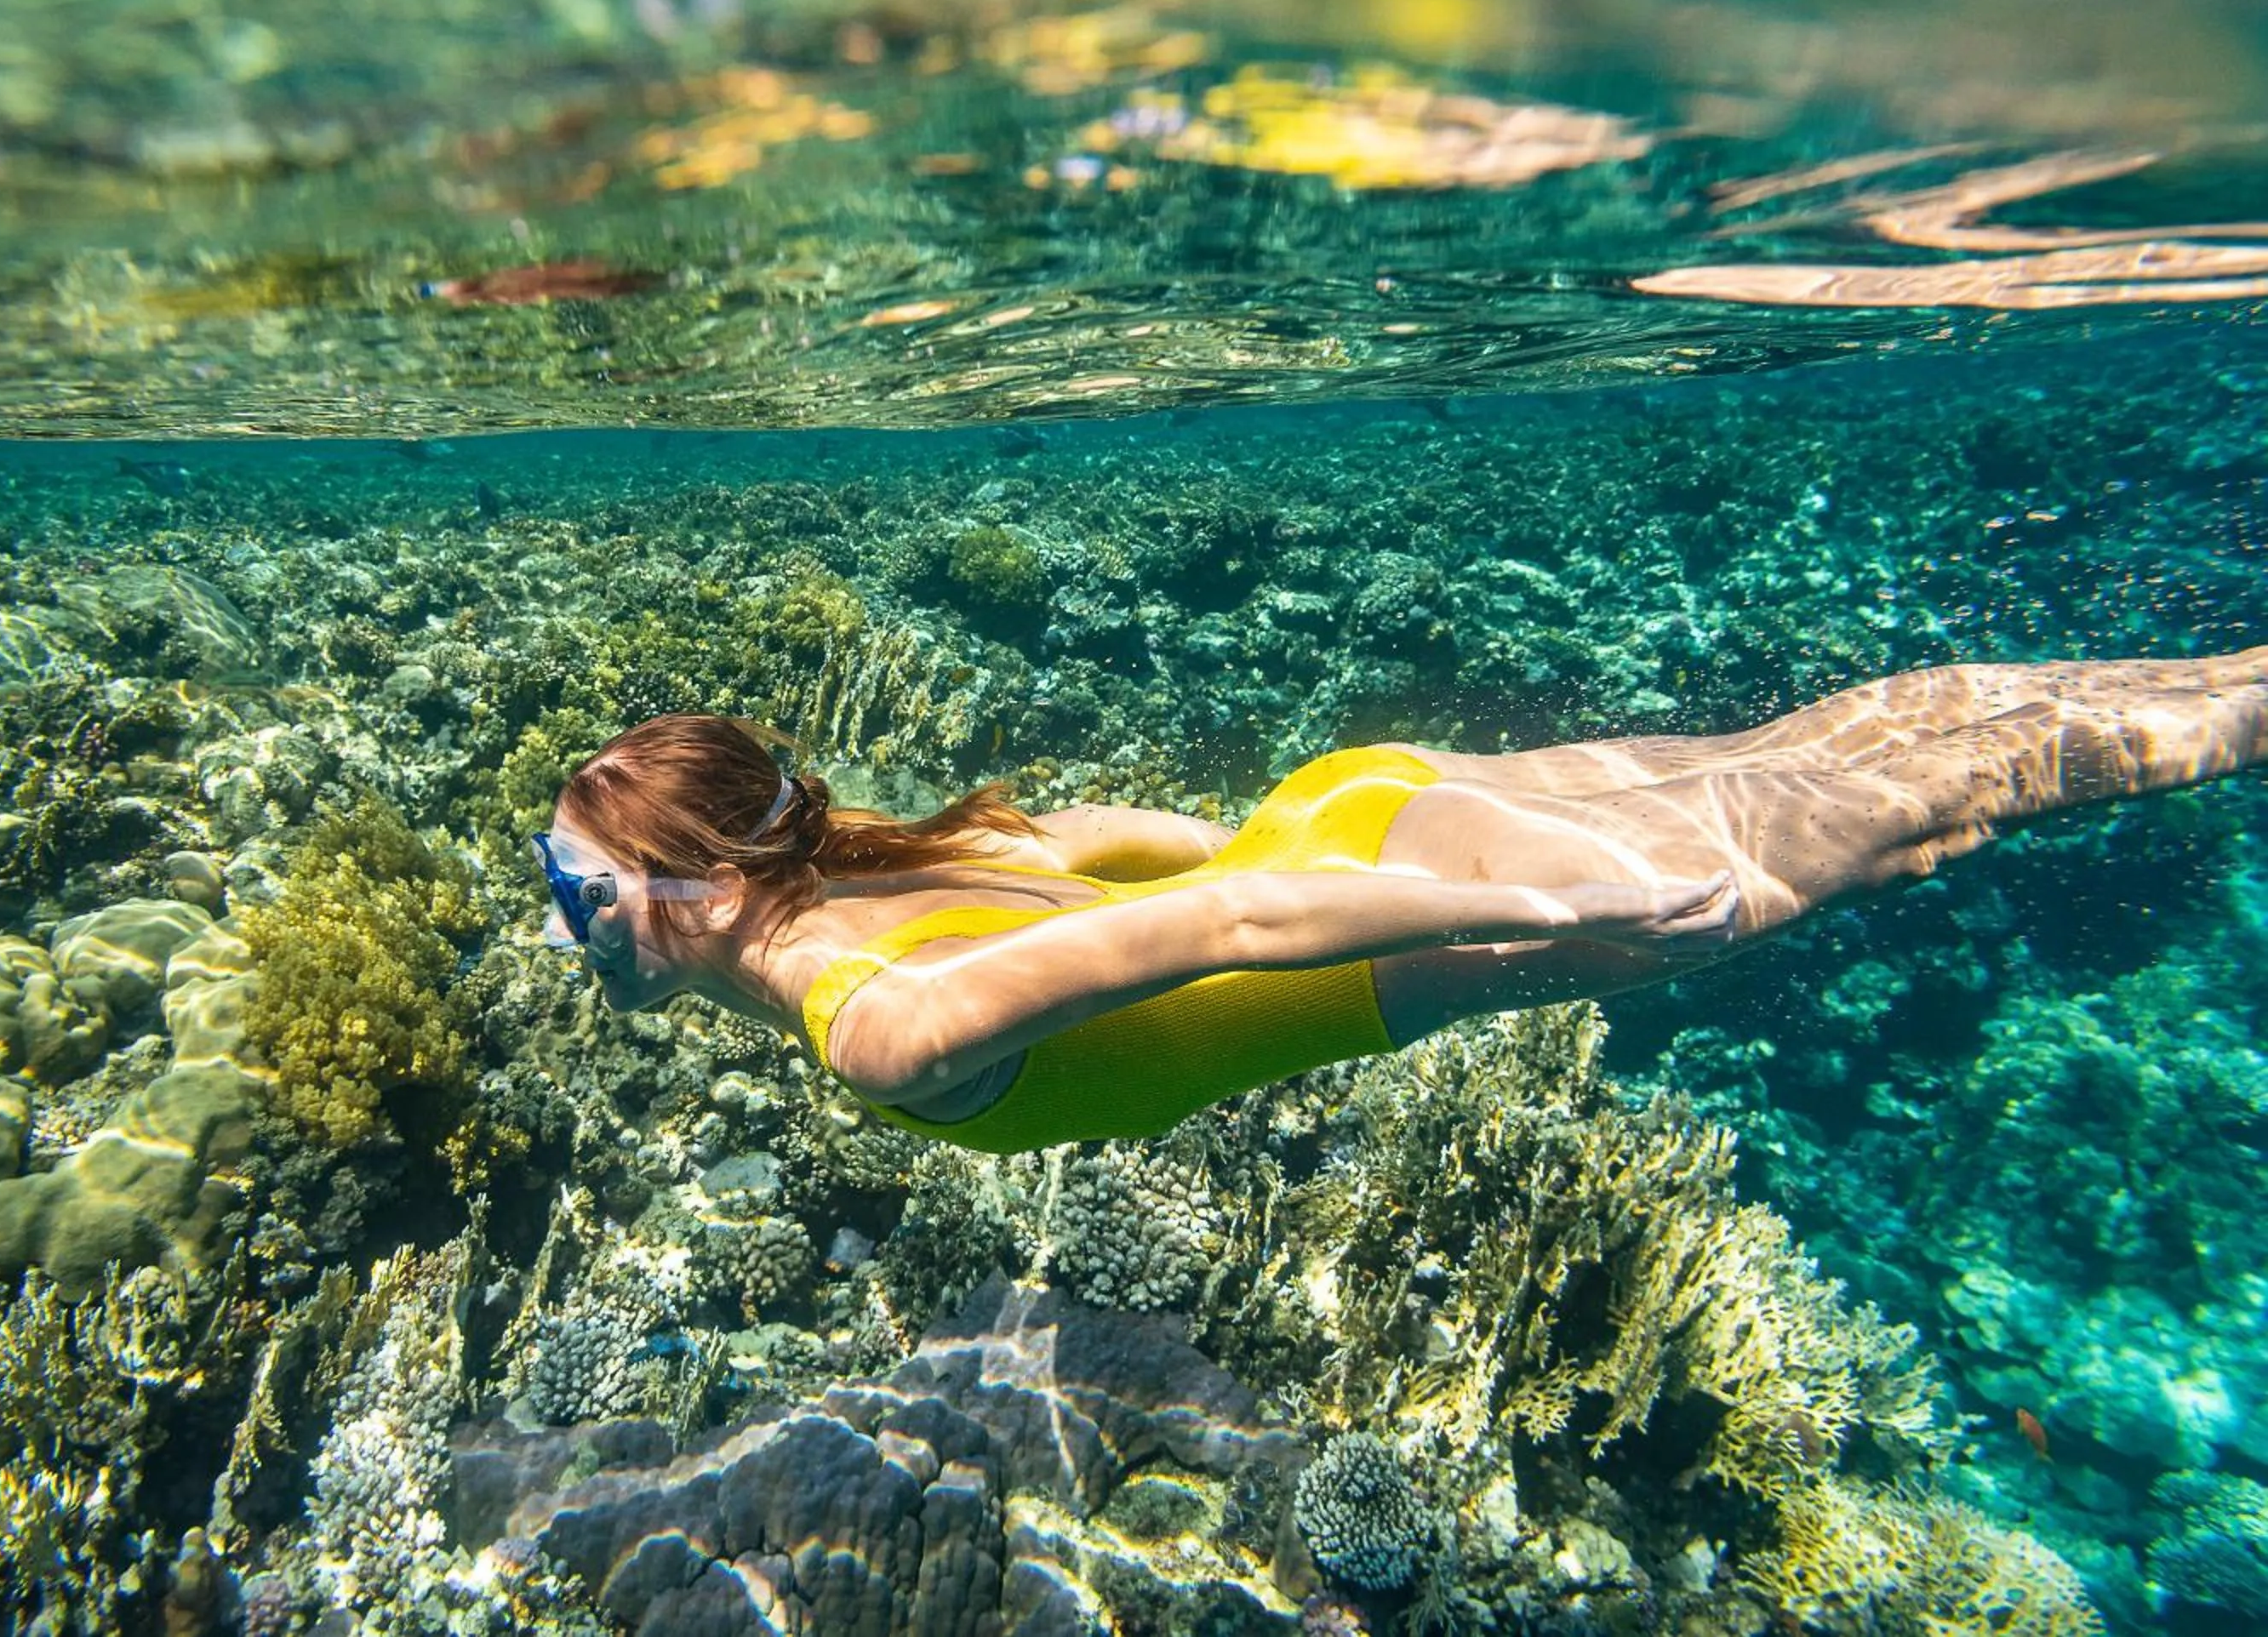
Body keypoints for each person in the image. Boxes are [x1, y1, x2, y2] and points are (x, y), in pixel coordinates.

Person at [534, 651, 2268, 1154]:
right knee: (1843, 747)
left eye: (576, 887)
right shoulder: (876, 864)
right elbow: (1159, 843)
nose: (560, 922)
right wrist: (1404, 850)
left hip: (1432, 887)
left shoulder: (885, 1027)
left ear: (692, 883)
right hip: (1363, 804)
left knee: (1917, 800)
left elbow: (1223, 928)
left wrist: (1565, 912)